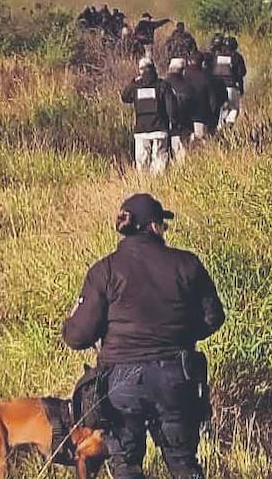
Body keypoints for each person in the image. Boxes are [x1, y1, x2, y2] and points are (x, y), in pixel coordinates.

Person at [63, 193, 225, 479]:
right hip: (177, 379)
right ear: (151, 226)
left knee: (126, 466)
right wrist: (180, 334)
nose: (165, 229)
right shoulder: (187, 264)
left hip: (120, 384)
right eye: (162, 223)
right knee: (184, 463)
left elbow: (77, 335)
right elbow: (213, 318)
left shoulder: (105, 270)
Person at [121, 58, 177, 174]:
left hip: (141, 131)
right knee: (160, 161)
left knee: (142, 163)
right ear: (154, 68)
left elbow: (125, 97)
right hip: (160, 129)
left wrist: (133, 82)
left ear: (140, 71)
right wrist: (173, 123)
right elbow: (171, 107)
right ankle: (158, 185)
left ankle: (144, 186)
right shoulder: (163, 85)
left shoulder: (136, 87)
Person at [182, 52, 227, 141]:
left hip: (185, 116)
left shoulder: (184, 76)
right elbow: (213, 101)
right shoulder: (207, 78)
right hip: (202, 116)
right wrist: (212, 115)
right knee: (201, 141)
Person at [210, 36, 247, 129]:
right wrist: (241, 89)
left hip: (217, 87)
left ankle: (220, 127)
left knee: (222, 109)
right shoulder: (236, 57)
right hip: (231, 87)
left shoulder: (217, 56)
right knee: (234, 109)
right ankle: (228, 124)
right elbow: (242, 73)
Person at [162, 58, 194, 164]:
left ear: (169, 69)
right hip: (184, 126)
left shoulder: (162, 84)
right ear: (183, 70)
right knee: (181, 158)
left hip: (165, 127)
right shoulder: (188, 86)